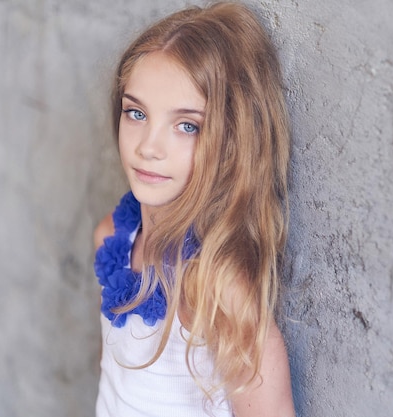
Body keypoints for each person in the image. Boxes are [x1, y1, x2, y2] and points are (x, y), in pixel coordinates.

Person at [93, 2, 295, 416]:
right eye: (136, 113)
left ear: (233, 142)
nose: (148, 147)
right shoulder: (112, 238)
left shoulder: (220, 290)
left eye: (187, 125)